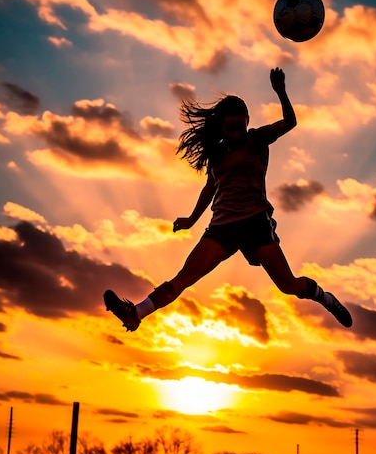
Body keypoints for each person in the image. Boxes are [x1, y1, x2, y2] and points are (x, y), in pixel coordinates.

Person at [104, 67, 352, 332]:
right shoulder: (217, 153)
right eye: (230, 128)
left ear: (247, 120)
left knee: (288, 285)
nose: (235, 132)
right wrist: (190, 219)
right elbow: (210, 188)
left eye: (239, 126)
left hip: (256, 224)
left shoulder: (257, 139)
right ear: (221, 127)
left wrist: (281, 91)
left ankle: (325, 298)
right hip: (223, 227)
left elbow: (290, 123)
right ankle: (136, 313)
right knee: (184, 277)